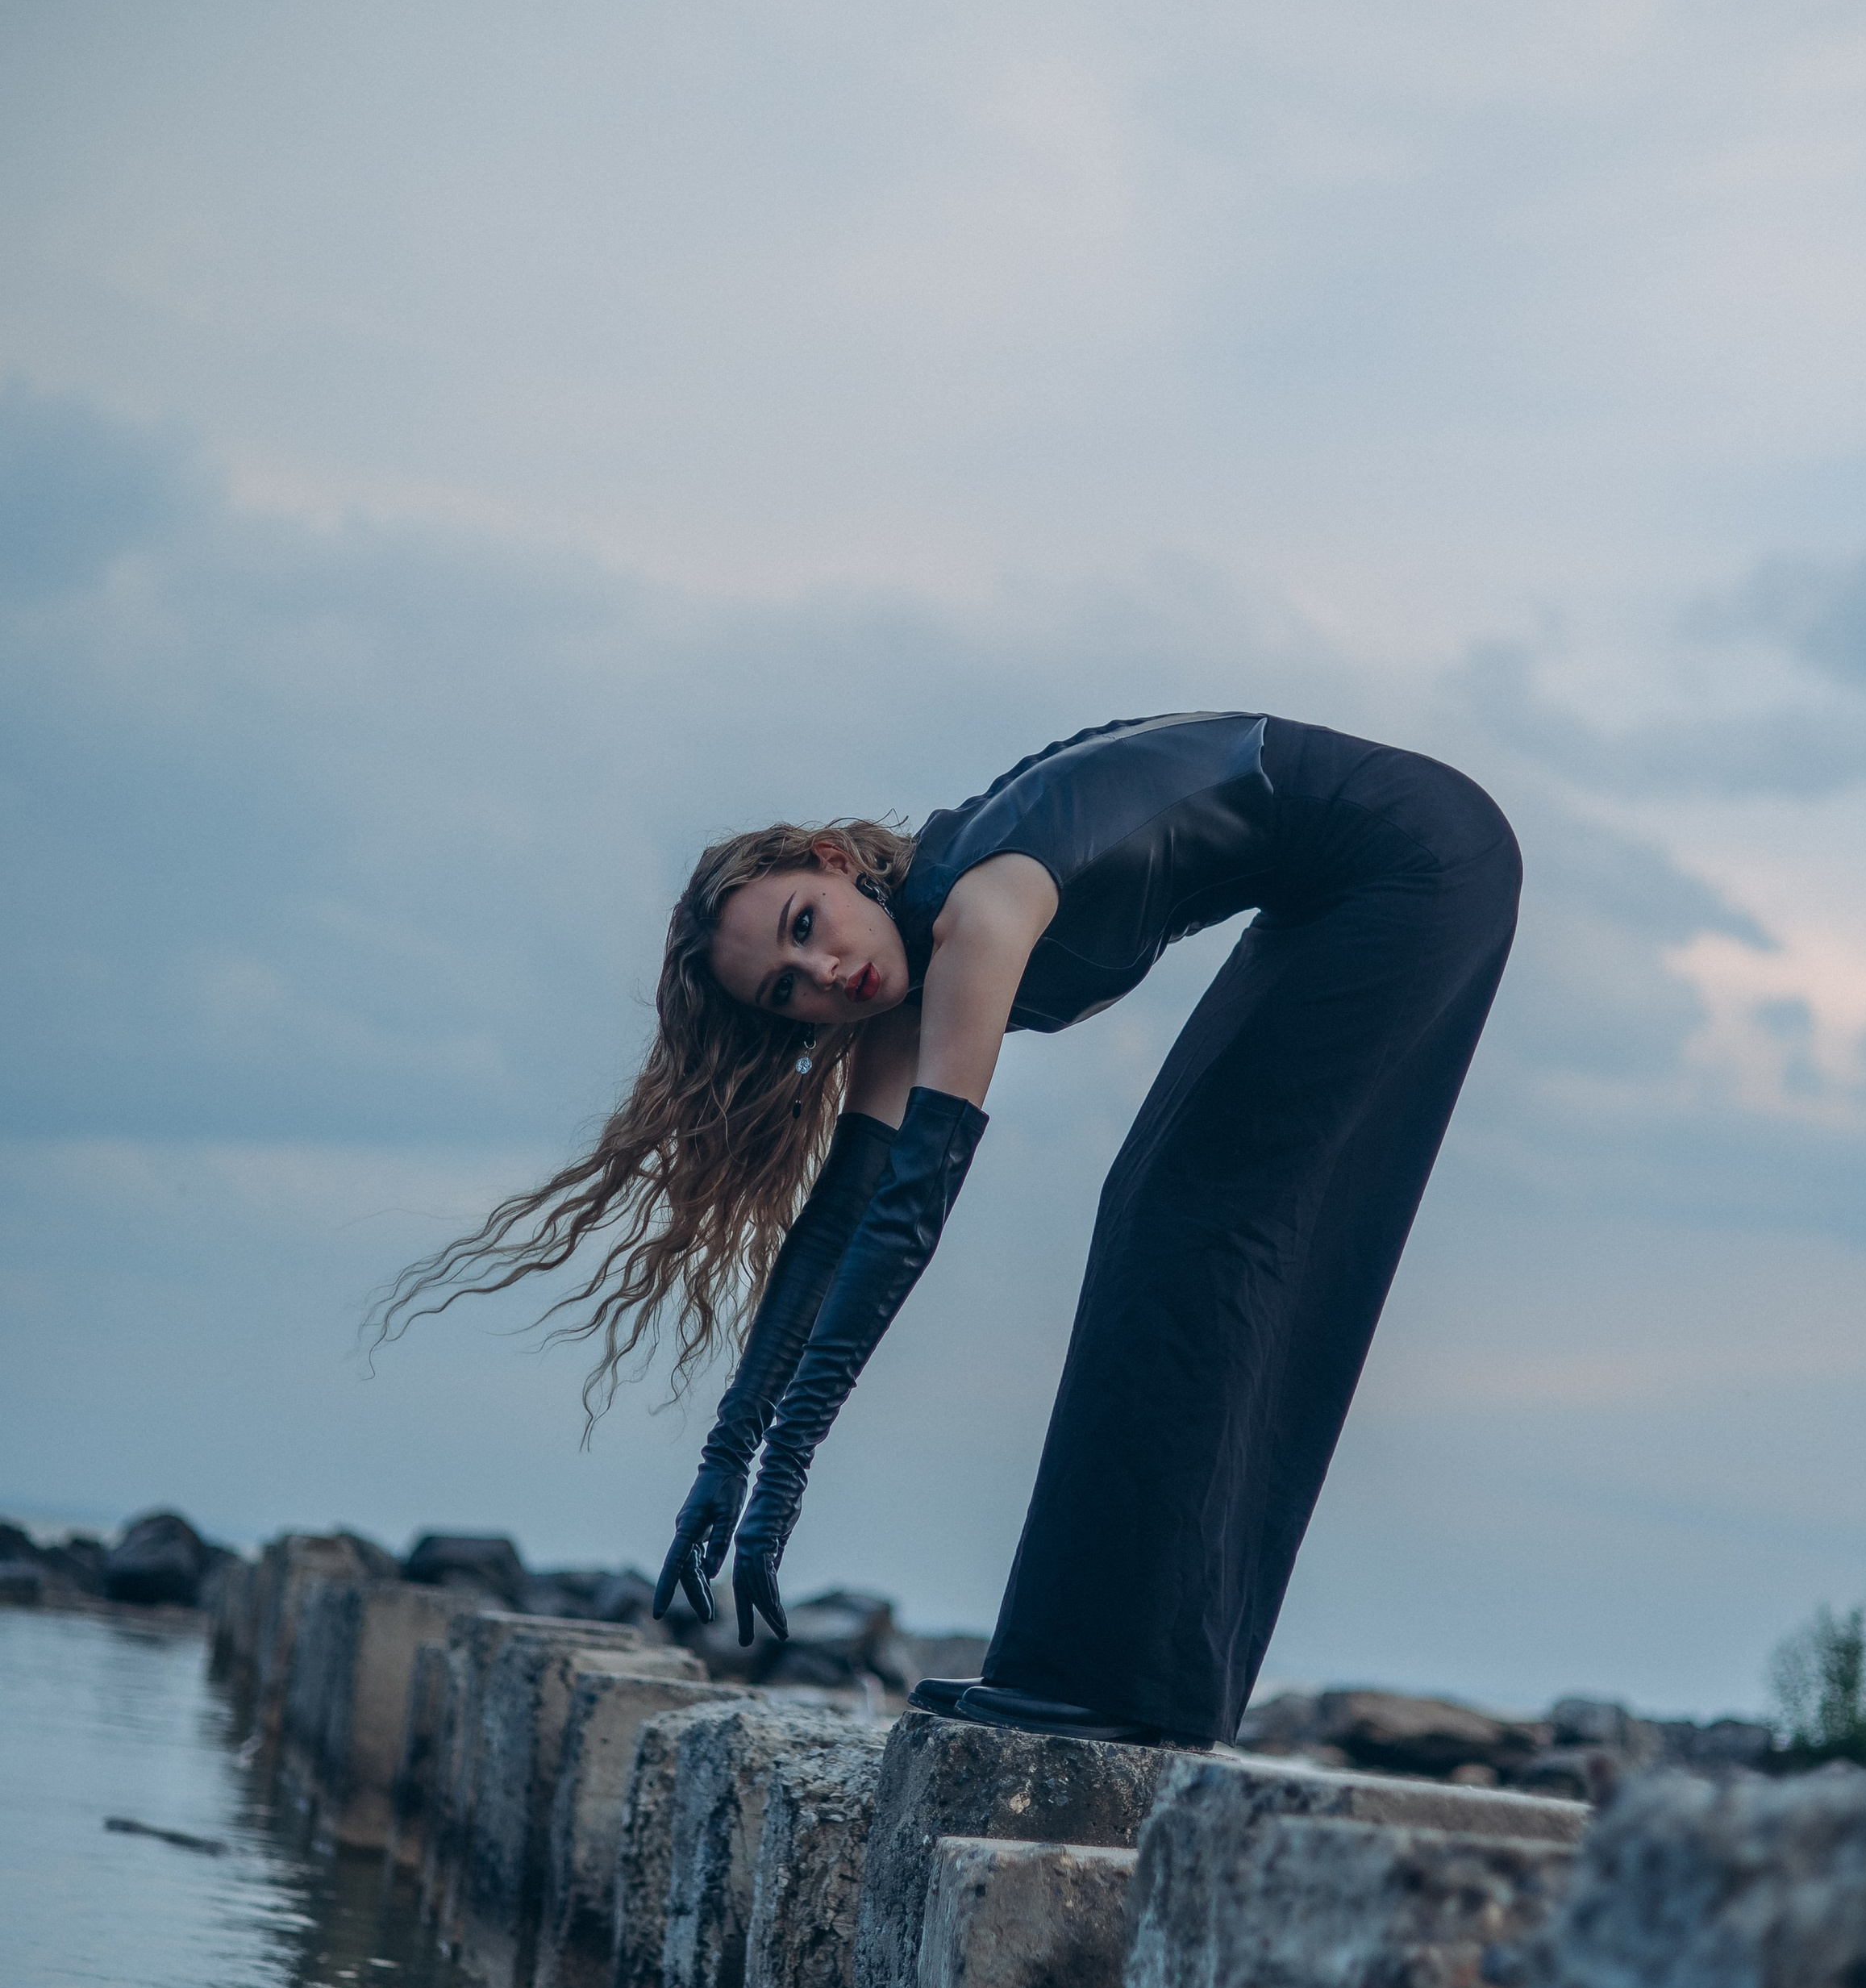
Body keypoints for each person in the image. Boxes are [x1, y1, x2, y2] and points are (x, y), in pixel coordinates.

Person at [377, 715, 1519, 1748]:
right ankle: (1104, 1676)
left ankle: (1113, 1687)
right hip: (1353, 879)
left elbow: (915, 1207)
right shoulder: (899, 980)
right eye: (790, 990)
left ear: (829, 863)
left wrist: (793, 1464)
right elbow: (838, 1228)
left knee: (1186, 1223)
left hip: (1419, 858)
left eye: (805, 927)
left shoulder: (978, 907)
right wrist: (731, 1455)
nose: (825, 970)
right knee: (1170, 1217)